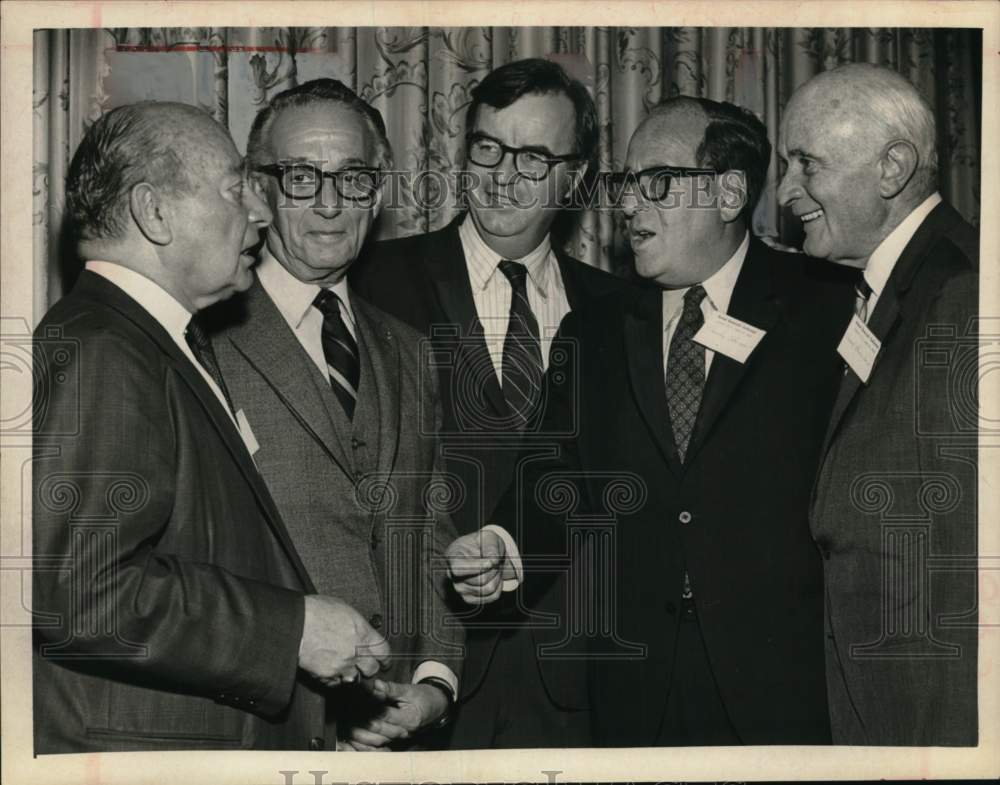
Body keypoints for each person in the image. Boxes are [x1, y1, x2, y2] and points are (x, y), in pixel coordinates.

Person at [447, 96, 856, 746]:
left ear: (728, 193)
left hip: (784, 686)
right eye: (624, 184)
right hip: (635, 688)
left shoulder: (827, 311)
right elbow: (556, 474)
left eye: (656, 183)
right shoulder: (599, 330)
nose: (629, 206)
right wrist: (506, 542)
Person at [32, 101, 390, 753]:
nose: (261, 212)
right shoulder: (105, 349)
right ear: (154, 212)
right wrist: (293, 630)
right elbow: (83, 595)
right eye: (236, 188)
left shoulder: (158, 342)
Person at [350, 57, 626, 748]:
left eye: (534, 157)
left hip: (575, 693)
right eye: (487, 147)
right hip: (409, 685)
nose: (502, 174)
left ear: (579, 178)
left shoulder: (624, 311)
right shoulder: (371, 283)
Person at [205, 79, 463, 751]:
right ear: (258, 191)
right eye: (300, 176)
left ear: (377, 195)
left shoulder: (407, 350)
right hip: (258, 732)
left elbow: (427, 528)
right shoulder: (199, 337)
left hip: (398, 744)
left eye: (351, 178)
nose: (328, 203)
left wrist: (434, 683)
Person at [777, 62, 978, 746]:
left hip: (924, 717)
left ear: (892, 168)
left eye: (806, 163)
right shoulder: (892, 289)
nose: (785, 191)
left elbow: (967, 577)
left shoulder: (961, 295)